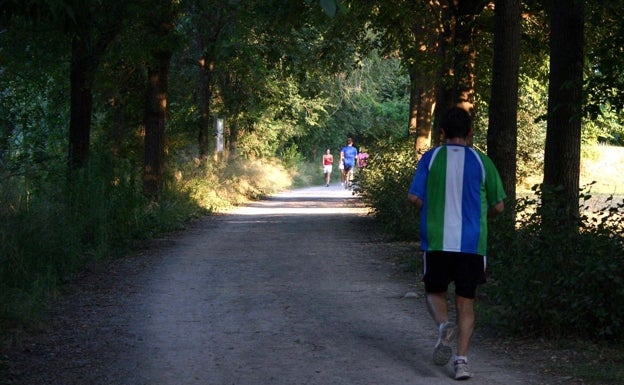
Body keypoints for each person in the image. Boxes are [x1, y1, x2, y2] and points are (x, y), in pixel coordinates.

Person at [407, 107, 506, 381]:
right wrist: (479, 218)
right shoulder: (482, 161)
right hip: (472, 244)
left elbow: (413, 198)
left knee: (434, 292)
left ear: (441, 133)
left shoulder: (431, 157)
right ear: (471, 132)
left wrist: (433, 211)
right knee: (467, 303)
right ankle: (461, 362)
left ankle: (442, 327)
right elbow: (498, 206)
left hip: (436, 240)